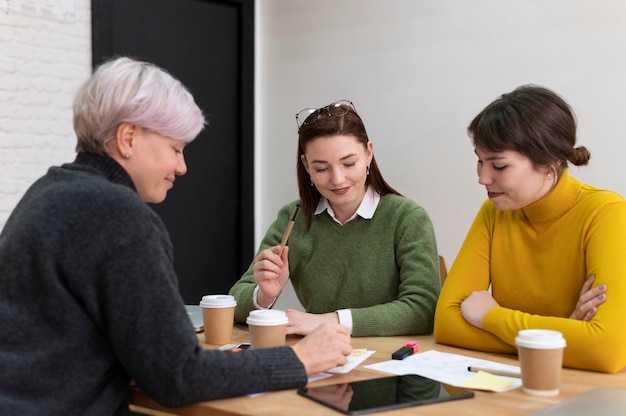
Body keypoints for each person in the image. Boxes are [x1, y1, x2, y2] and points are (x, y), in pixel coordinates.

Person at [0, 57, 352, 415]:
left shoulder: (44, 193)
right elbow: (178, 375)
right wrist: (300, 359)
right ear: (128, 138)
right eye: (176, 149)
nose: (182, 167)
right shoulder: (119, 216)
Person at [433, 85, 626, 374]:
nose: (483, 178)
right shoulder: (494, 213)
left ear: (549, 164)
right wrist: (559, 338)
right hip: (520, 384)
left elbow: (606, 350)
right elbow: (446, 325)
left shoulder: (606, 213)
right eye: (480, 161)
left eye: (499, 165)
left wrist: (491, 317)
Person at [229, 100, 440, 337]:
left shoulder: (407, 218)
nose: (338, 179)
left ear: (369, 153)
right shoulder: (294, 218)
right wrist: (263, 294)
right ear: (306, 166)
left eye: (349, 163)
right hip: (320, 362)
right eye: (321, 168)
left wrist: (330, 322)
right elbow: (234, 303)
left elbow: (423, 310)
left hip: (388, 364)